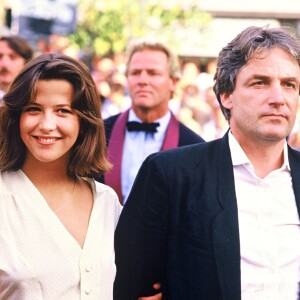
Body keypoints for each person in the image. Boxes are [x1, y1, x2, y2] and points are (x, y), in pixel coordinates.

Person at [113, 26, 300, 300]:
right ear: (226, 95)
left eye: (289, 84)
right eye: (260, 82)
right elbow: (129, 282)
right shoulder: (171, 175)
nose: (278, 98)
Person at [0, 52, 123, 299]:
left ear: (84, 120)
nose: (46, 124)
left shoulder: (106, 202)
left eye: (62, 111)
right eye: (33, 109)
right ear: (17, 117)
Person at [98, 37, 204, 204]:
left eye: (153, 73)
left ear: (173, 82)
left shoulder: (194, 147)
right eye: (135, 73)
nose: (143, 80)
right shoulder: (98, 135)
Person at [0, 35, 33, 103]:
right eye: (0, 57)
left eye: (13, 57)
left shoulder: (33, 99)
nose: (4, 64)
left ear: (26, 63)